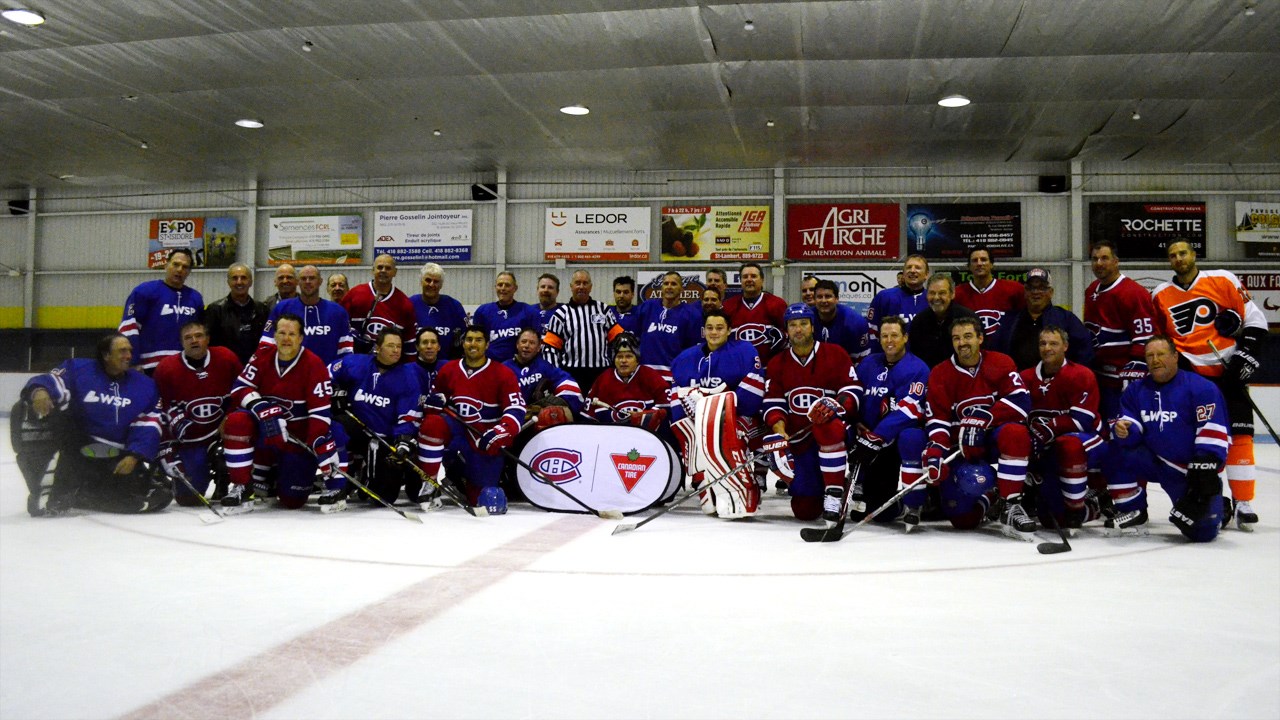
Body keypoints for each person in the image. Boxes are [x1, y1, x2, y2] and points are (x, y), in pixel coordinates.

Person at [1152, 239, 1266, 531]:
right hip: (1193, 379)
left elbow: (1255, 319)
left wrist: (1244, 355)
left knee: (1241, 434)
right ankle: (1214, 498)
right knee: (1203, 440)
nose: (1178, 258)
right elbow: (1162, 340)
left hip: (1228, 370)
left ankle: (1244, 502)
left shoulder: (1222, 279)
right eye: (1172, 255)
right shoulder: (1160, 295)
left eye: (1183, 253)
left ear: (1193, 255)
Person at [19, 333, 171, 515]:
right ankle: (48, 484)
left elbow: (149, 424)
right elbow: (54, 381)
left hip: (117, 455)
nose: (129, 356)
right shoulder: (78, 369)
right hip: (78, 448)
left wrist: (135, 455)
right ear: (106, 355)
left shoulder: (145, 385)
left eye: (130, 351)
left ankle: (86, 495)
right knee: (25, 410)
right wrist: (40, 390)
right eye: (122, 351)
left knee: (159, 495)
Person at [1103, 336, 1229, 541]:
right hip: (1154, 460)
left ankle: (1221, 508)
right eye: (1149, 356)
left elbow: (1212, 431)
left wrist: (1203, 472)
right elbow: (1130, 423)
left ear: (1175, 356)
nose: (1154, 360)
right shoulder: (1136, 389)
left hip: (1188, 471)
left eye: (1160, 354)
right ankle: (1134, 510)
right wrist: (1125, 430)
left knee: (1202, 533)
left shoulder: (1202, 388)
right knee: (1114, 451)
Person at [922, 316, 1035, 539]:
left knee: (1016, 433)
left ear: (980, 338)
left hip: (993, 440)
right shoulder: (940, 373)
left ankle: (1010, 504)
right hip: (961, 447)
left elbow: (1021, 401)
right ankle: (993, 494)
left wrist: (986, 417)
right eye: (956, 338)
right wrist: (936, 451)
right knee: (963, 520)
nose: (962, 343)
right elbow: (938, 419)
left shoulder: (1001, 362)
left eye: (967, 336)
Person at [221, 313, 344, 512]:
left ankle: (276, 475)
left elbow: (320, 415)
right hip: (267, 433)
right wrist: (261, 407)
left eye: (292, 334)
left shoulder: (314, 365)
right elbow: (239, 388)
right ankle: (242, 486)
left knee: (292, 501)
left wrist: (317, 443)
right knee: (237, 421)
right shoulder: (262, 356)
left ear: (301, 338)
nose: (286, 339)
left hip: (297, 438)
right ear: (275, 336)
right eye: (282, 333)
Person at [761, 303, 856, 522]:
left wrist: (836, 406)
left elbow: (852, 390)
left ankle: (834, 493)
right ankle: (821, 487)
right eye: (793, 325)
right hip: (800, 440)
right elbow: (773, 404)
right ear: (786, 329)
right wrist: (780, 431)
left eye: (803, 323)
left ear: (813, 326)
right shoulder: (777, 363)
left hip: (835, 434)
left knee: (827, 426)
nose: (798, 329)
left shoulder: (835, 354)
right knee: (805, 510)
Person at [416, 326, 525, 514]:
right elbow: (434, 404)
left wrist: (500, 432)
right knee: (433, 423)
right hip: (458, 433)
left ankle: (458, 477)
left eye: (478, 340)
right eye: (469, 339)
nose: (473, 344)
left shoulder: (503, 373)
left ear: (487, 344)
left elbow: (516, 409)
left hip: (483, 439)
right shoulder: (449, 369)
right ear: (463, 343)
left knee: (480, 498)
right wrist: (435, 404)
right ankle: (430, 481)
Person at [669, 309, 767, 516]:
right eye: (710, 328)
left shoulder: (745, 352)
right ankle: (705, 484)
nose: (714, 332)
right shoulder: (685, 358)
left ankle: (744, 488)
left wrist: (718, 410)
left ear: (729, 330)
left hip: (738, 418)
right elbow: (676, 396)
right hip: (699, 422)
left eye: (720, 328)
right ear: (703, 331)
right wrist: (688, 422)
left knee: (734, 437)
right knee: (688, 434)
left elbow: (753, 390)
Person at [839, 316, 930, 529]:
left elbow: (910, 408)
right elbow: (855, 392)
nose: (889, 340)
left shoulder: (918, 368)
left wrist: (877, 436)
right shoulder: (869, 363)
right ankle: (884, 499)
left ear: (905, 337)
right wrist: (857, 421)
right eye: (884, 336)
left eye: (894, 335)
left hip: (895, 440)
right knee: (880, 513)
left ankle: (914, 502)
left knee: (911, 439)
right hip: (870, 438)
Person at [1019, 326, 1107, 529]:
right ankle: (1084, 507)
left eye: (1053, 343)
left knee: (1068, 444)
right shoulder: (1025, 377)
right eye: (1043, 343)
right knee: (1051, 519)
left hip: (1088, 443)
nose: (1047, 348)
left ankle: (1081, 506)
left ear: (1065, 346)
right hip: (1049, 450)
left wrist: (1047, 430)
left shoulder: (1081, 374)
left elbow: (1082, 420)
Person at [329, 330, 427, 508]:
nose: (396, 350)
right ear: (377, 348)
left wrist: (403, 442)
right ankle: (344, 474)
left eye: (399, 346)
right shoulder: (355, 363)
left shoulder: (408, 376)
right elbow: (325, 374)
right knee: (336, 425)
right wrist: (336, 389)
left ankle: (369, 474)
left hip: (383, 438)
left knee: (383, 497)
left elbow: (409, 415)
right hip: (356, 429)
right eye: (391, 346)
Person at [152, 321, 240, 505]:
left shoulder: (226, 357)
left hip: (222, 434)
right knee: (188, 499)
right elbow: (160, 412)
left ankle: (234, 481)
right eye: (188, 337)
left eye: (199, 336)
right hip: (191, 441)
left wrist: (230, 416)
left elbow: (243, 390)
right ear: (181, 342)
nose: (194, 341)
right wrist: (167, 450)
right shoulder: (166, 369)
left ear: (207, 339)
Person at [1083, 240, 1157, 421]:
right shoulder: (1092, 290)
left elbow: (1145, 338)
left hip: (1122, 379)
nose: (1099, 263)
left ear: (1116, 261)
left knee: (1124, 428)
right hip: (1100, 375)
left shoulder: (1133, 293)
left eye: (1104, 258)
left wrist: (1134, 375)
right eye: (1094, 259)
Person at [988, 269, 1093, 371]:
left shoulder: (1066, 319)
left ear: (1051, 292)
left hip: (1054, 385)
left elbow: (1084, 351)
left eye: (1042, 288)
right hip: (1018, 384)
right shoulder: (1010, 320)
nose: (1036, 292)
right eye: (1031, 288)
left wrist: (1069, 377)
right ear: (1025, 292)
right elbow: (996, 352)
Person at [119, 248, 204, 373]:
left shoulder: (195, 298)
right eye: (176, 264)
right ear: (166, 265)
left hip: (185, 366)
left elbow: (199, 335)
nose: (180, 269)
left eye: (185, 267)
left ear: (189, 272)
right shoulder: (144, 291)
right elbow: (129, 329)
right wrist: (132, 362)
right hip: (148, 367)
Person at [542, 269, 625, 391]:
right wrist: (556, 376)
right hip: (571, 374)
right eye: (578, 283)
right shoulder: (561, 314)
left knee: (599, 409)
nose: (581, 287)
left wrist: (616, 370)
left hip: (601, 373)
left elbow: (618, 341)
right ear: (571, 286)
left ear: (590, 287)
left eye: (585, 283)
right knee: (573, 409)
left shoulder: (603, 310)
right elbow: (550, 349)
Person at [260, 264, 353, 365]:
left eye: (312, 278)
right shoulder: (282, 308)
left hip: (327, 377)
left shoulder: (338, 312)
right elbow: (266, 345)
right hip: (290, 376)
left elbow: (346, 352)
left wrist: (334, 373)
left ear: (320, 281)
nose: (307, 282)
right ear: (298, 282)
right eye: (303, 278)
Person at [583, 332, 671, 433]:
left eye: (629, 356)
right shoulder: (604, 379)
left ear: (637, 359)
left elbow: (666, 409)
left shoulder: (650, 376)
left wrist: (646, 416)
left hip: (648, 436)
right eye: (619, 357)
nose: (623, 361)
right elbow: (589, 418)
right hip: (611, 436)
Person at [340, 253, 417, 356]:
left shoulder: (404, 304)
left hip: (389, 367)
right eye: (380, 267)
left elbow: (409, 343)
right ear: (373, 270)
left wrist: (408, 369)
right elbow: (339, 325)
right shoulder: (355, 294)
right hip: (356, 362)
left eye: (388, 268)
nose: (383, 271)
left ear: (395, 272)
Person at [633, 270, 702, 382]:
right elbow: (635, 338)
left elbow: (693, 350)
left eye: (674, 284)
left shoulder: (692, 315)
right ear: (661, 287)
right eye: (666, 283)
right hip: (645, 374)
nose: (669, 287)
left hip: (673, 376)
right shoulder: (646, 307)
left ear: (681, 289)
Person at [505, 328, 584, 420]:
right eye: (523, 341)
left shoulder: (544, 366)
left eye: (532, 343)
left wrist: (562, 402)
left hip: (538, 419)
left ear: (539, 348)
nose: (526, 346)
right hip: (512, 417)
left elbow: (567, 383)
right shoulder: (504, 368)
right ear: (517, 345)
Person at [907, 272, 980, 368]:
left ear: (952, 294)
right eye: (932, 293)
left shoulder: (969, 319)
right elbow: (914, 357)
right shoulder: (918, 322)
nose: (936, 297)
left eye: (942, 293)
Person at [723, 262, 788, 365]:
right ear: (740, 281)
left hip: (768, 369)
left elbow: (787, 335)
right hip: (738, 368)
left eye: (753, 276)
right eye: (745, 277)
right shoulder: (728, 306)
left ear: (762, 280)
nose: (749, 279)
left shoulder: (777, 304)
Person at [205, 263, 269, 364]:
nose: (239, 282)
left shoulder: (262, 310)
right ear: (228, 282)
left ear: (250, 282)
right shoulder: (215, 310)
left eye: (243, 278)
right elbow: (209, 344)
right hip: (226, 368)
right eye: (234, 278)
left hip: (255, 368)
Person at [954, 247, 1025, 337]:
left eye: (983, 260)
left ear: (991, 264)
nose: (979, 263)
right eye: (975, 260)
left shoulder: (1014, 289)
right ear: (969, 266)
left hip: (1005, 349)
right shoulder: (957, 293)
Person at [868, 254, 931, 353]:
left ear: (926, 274)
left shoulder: (932, 300)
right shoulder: (884, 297)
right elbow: (872, 332)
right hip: (889, 361)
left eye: (918, 267)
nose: (912, 270)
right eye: (908, 267)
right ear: (904, 273)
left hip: (924, 363)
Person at [472, 271, 537, 362]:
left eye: (507, 285)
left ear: (515, 288)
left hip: (518, 367)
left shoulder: (528, 311)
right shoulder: (483, 311)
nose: (503, 288)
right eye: (500, 285)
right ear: (495, 287)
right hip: (490, 366)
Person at [409, 263, 467, 360]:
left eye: (436, 281)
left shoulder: (454, 306)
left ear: (441, 285)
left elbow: (464, 339)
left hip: (446, 368)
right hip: (415, 368)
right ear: (421, 282)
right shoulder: (410, 305)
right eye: (428, 280)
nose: (431, 284)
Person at [811, 278, 870, 363]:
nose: (823, 301)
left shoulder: (855, 323)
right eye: (819, 297)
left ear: (836, 299)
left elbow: (860, 361)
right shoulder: (807, 320)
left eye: (828, 296)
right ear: (815, 300)